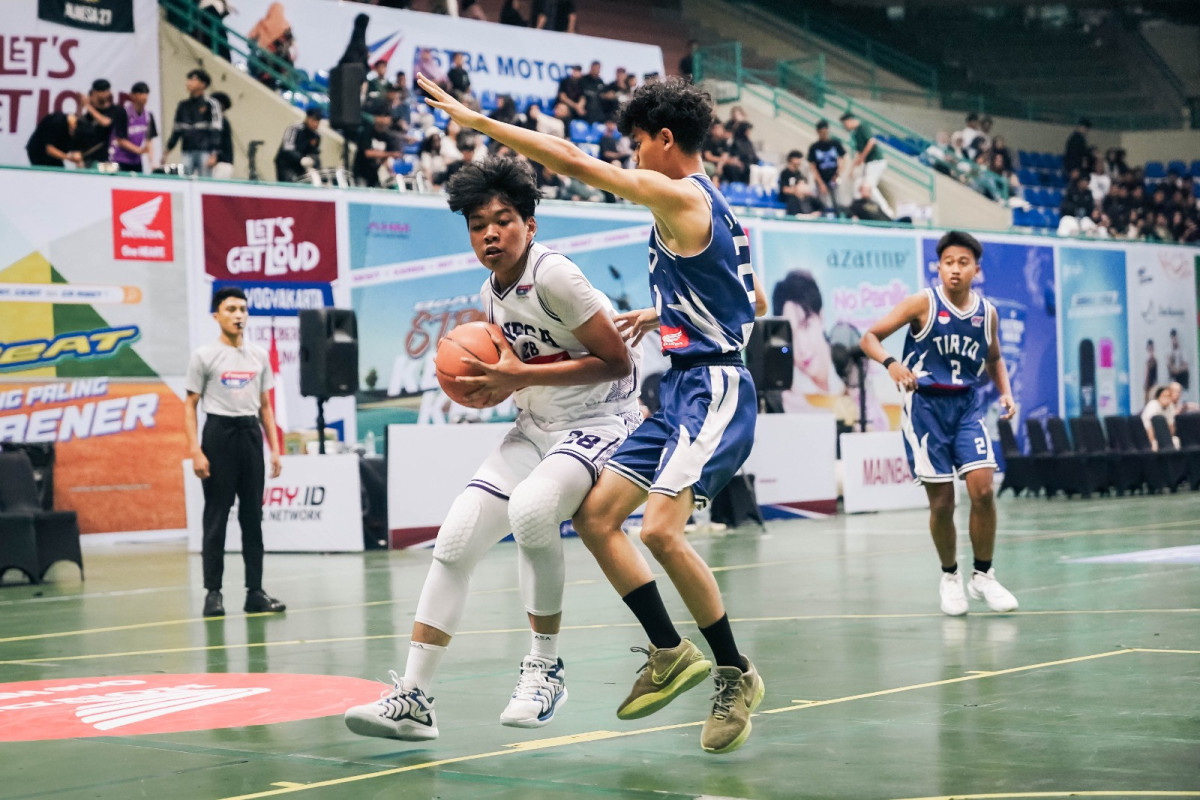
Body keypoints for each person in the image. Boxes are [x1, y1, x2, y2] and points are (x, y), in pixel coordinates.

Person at [416, 73, 769, 755]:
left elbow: (575, 162)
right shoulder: (712, 210)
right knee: (597, 517)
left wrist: (477, 123)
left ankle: (735, 674)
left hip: (716, 388)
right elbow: (744, 297)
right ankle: (669, 650)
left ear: (664, 139)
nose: (633, 156)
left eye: (636, 144)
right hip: (682, 385)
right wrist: (664, 314)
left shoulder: (681, 194)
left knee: (660, 531)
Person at [343, 157, 640, 740]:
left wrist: (518, 378)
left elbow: (617, 362)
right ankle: (415, 699)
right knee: (454, 538)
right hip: (537, 425)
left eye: (503, 220)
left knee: (532, 511)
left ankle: (545, 668)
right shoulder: (491, 291)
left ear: (530, 224)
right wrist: (500, 384)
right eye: (478, 225)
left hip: (600, 421)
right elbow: (518, 367)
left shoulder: (556, 277)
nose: (490, 234)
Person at [860, 231, 1018, 618]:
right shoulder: (922, 303)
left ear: (976, 270)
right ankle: (950, 576)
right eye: (948, 262)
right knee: (943, 502)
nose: (954, 269)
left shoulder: (987, 313)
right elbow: (870, 337)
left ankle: (983, 575)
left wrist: (1005, 392)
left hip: (966, 405)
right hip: (925, 408)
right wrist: (891, 364)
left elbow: (994, 358)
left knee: (983, 490)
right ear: (939, 267)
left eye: (963, 262)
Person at [184, 287, 286, 619]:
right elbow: (190, 406)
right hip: (219, 435)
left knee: (252, 518)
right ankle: (213, 594)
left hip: (250, 435)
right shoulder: (204, 356)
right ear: (217, 315)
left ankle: (255, 592)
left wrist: (275, 450)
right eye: (231, 309)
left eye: (243, 309)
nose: (238, 315)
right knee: (216, 517)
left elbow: (266, 406)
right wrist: (195, 450)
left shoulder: (258, 355)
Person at [166, 69, 223, 177]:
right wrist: (167, 150)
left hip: (205, 152)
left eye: (193, 80)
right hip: (187, 151)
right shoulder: (183, 105)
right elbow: (177, 130)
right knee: (185, 180)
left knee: (205, 183)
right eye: (188, 79)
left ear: (203, 84)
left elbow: (216, 130)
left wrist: (214, 154)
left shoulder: (211, 104)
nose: (189, 83)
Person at [841, 111, 893, 218]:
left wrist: (863, 157)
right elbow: (858, 153)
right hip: (869, 163)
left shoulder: (863, 127)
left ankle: (887, 211)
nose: (845, 127)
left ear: (850, 121)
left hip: (875, 161)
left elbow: (871, 142)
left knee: (869, 187)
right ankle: (859, 212)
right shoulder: (856, 134)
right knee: (859, 185)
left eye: (845, 124)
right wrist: (852, 169)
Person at [109, 81, 158, 173]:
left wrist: (152, 163)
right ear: (133, 96)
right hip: (120, 160)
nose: (144, 97)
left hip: (136, 161)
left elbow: (149, 140)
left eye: (146, 93)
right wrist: (139, 150)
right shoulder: (123, 113)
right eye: (140, 93)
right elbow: (120, 140)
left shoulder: (148, 116)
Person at [353, 105, 403, 187]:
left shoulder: (388, 136)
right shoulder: (366, 132)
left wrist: (391, 172)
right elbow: (368, 153)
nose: (384, 120)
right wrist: (390, 154)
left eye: (386, 117)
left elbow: (386, 159)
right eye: (381, 116)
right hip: (362, 172)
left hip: (375, 174)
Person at [275, 107, 323, 183]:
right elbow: (287, 148)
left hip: (302, 167)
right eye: (313, 120)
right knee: (290, 183)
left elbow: (315, 152)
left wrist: (314, 164)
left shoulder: (316, 135)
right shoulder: (294, 128)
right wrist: (301, 159)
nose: (315, 124)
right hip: (287, 165)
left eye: (318, 121)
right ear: (307, 118)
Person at [806, 119, 846, 210]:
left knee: (837, 202)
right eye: (821, 132)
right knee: (822, 204)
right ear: (818, 132)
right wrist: (821, 183)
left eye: (825, 132)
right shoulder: (814, 147)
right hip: (821, 179)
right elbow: (813, 166)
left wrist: (837, 174)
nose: (824, 134)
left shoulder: (835, 143)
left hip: (834, 177)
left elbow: (842, 159)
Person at [777, 150, 820, 217]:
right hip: (788, 196)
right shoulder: (785, 173)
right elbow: (784, 189)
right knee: (794, 200)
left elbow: (804, 185)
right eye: (797, 158)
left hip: (799, 195)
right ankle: (795, 216)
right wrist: (797, 189)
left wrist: (805, 190)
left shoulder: (799, 173)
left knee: (813, 200)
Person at [1141, 385, 1177, 450]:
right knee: (1155, 444)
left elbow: (1172, 427)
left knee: (1175, 440)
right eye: (1164, 396)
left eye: (1169, 396)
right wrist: (1152, 443)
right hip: (1147, 436)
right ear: (1158, 397)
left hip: (1164, 436)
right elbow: (1149, 428)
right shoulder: (1153, 405)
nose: (1167, 398)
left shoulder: (1170, 406)